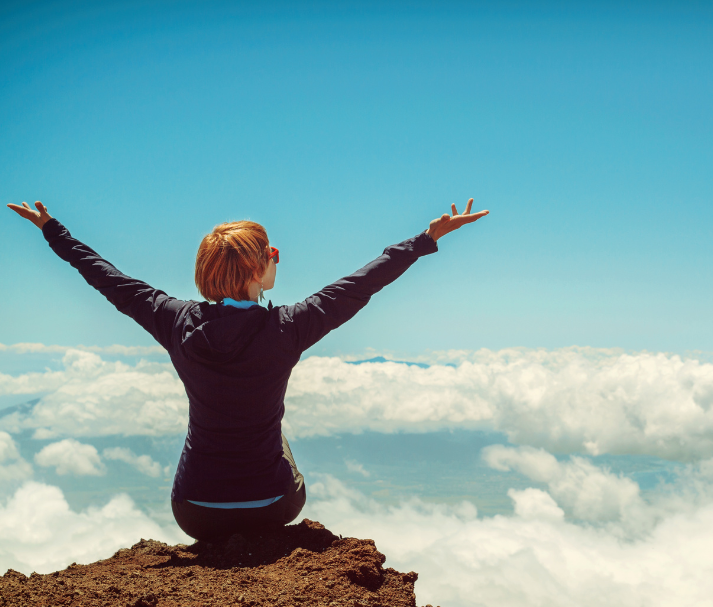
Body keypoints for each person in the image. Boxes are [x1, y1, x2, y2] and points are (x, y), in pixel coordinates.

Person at [7, 198, 488, 541]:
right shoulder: (292, 327)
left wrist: (53, 229)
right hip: (273, 507)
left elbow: (104, 275)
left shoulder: (172, 320)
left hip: (194, 512)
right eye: (271, 254)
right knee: (273, 431)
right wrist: (426, 240)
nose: (276, 258)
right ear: (258, 269)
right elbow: (363, 283)